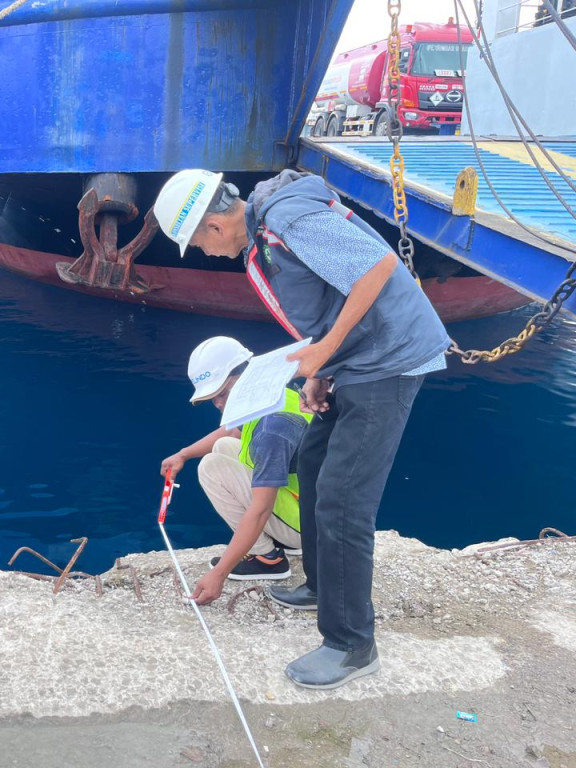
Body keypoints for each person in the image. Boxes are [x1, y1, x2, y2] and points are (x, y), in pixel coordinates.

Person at [153, 169, 450, 689]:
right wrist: (322, 373)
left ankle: (351, 644)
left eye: (197, 242)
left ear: (214, 227)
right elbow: (329, 300)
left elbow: (376, 268)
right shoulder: (261, 239)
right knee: (313, 462)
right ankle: (318, 582)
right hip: (356, 362)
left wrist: (326, 352)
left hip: (390, 360)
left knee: (342, 501)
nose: (203, 253)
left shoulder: (287, 219)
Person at [160, 336, 312, 603]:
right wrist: (183, 454)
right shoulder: (275, 396)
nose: (219, 404)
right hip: (309, 509)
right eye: (213, 398)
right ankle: (284, 543)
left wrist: (219, 573)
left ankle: (269, 559)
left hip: (308, 528)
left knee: (211, 467)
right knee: (224, 447)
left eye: (222, 394)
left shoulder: (274, 429)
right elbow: (231, 429)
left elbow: (261, 508)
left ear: (247, 374)